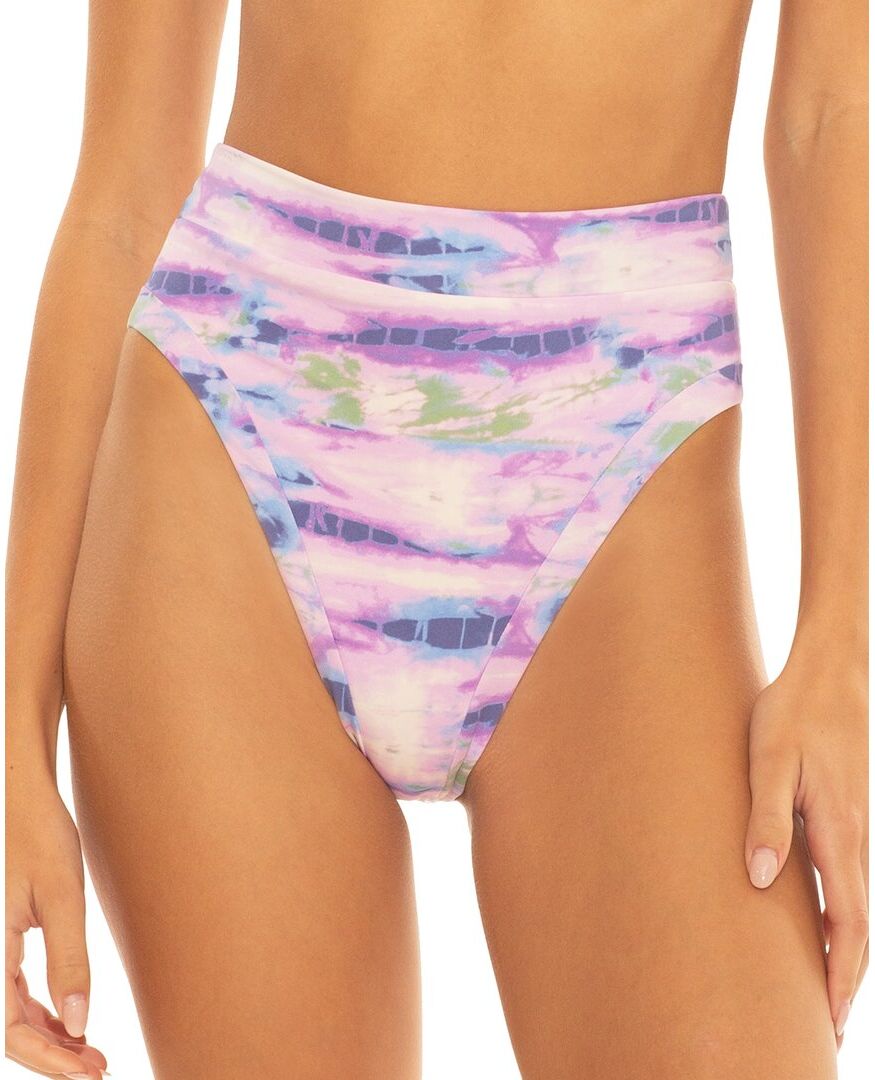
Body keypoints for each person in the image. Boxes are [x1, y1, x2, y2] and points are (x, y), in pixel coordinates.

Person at [5, 1, 867, 1077]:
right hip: (236, 425)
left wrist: (837, 641)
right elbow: (126, 186)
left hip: (626, 444)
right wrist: (14, 736)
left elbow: (828, 114)